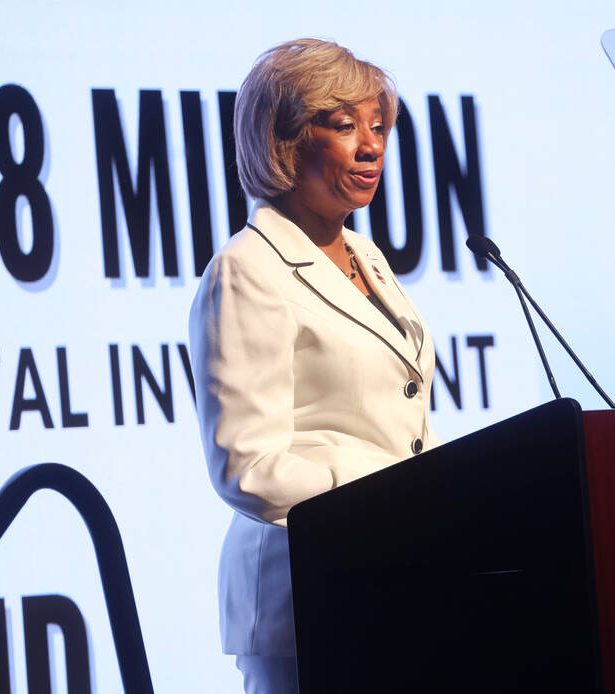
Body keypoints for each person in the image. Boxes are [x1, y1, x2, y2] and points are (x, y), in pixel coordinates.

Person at [189, 38, 439, 694]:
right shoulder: (248, 269)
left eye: (378, 126)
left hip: (398, 580)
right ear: (286, 139)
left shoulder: (366, 258)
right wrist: (388, 501)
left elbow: (397, 425)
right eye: (344, 125)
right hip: (307, 598)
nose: (371, 145)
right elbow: (246, 464)